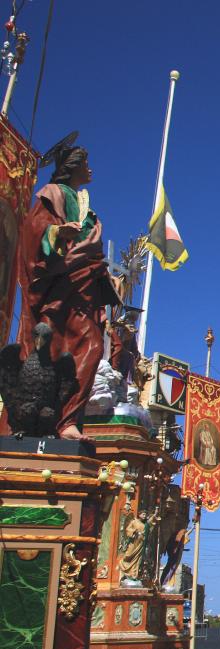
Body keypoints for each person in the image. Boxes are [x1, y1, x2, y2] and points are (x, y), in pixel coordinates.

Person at [7, 145, 118, 440]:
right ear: (72, 166)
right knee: (54, 350)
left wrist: (104, 281)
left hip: (85, 287)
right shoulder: (53, 193)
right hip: (59, 285)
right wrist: (56, 233)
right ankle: (49, 421)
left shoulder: (85, 205)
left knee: (92, 347)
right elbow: (35, 229)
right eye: (85, 163)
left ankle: (67, 420)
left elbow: (90, 249)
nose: (90, 168)